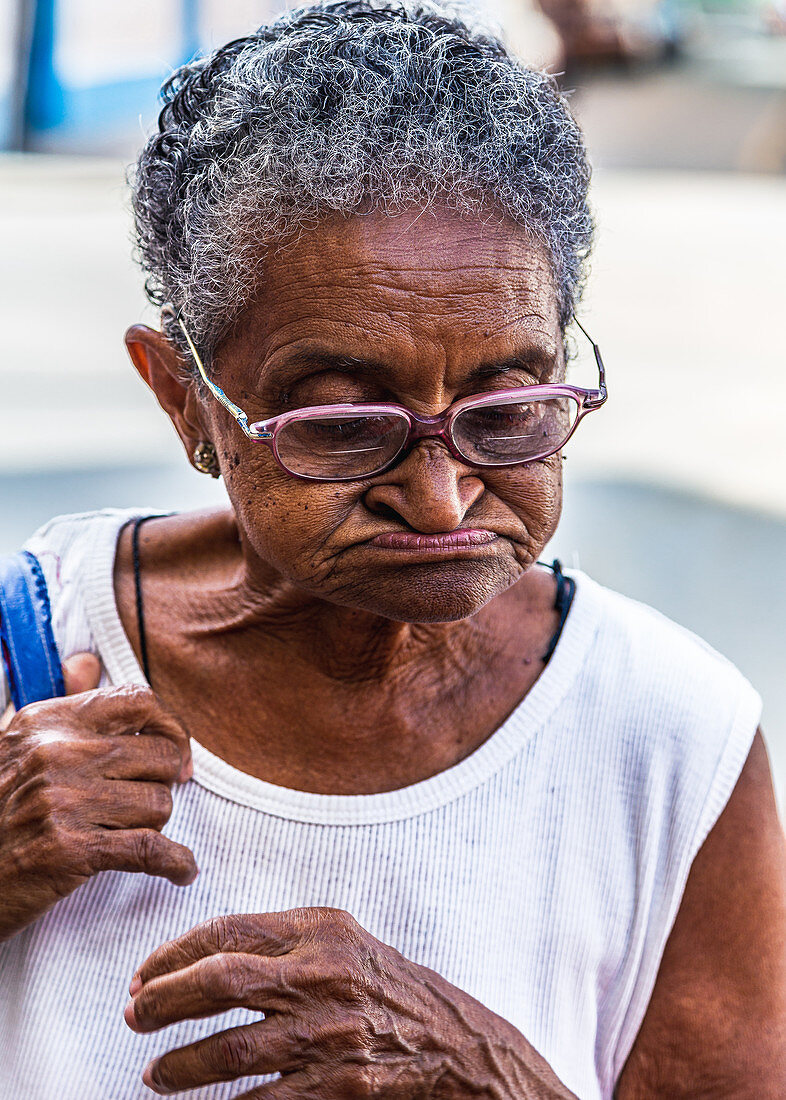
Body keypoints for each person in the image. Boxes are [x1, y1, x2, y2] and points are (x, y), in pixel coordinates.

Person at [1, 2, 784, 1097]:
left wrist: (495, 1076)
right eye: (342, 424)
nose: (440, 493)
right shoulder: (28, 673)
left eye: (507, 408)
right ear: (185, 400)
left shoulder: (671, 738)